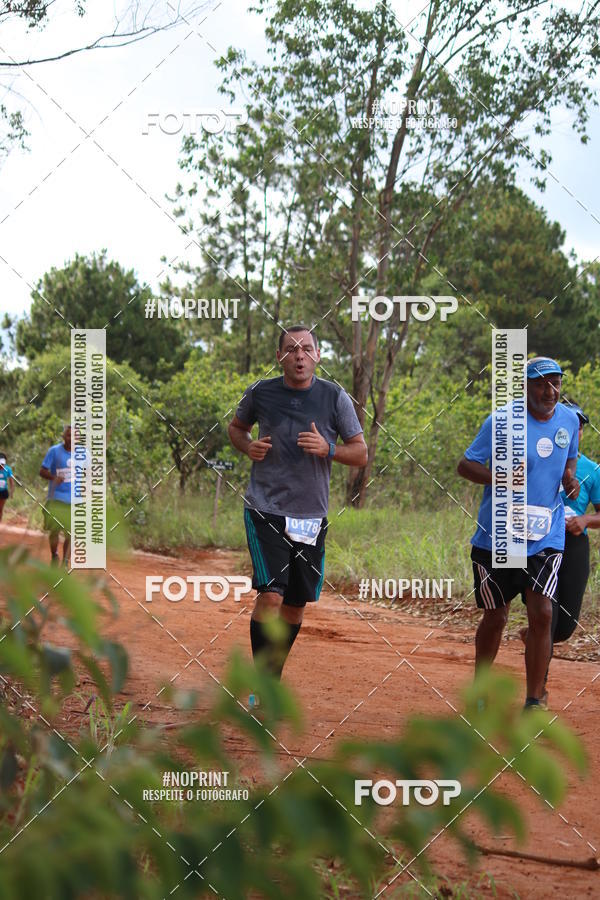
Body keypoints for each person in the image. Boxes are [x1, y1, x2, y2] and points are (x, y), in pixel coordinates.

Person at [228, 325, 367, 703]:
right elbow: (236, 428)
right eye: (291, 349)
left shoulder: (334, 397)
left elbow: (360, 452)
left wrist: (328, 449)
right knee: (272, 596)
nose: (299, 355)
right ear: (280, 358)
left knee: (294, 605)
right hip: (265, 508)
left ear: (318, 355)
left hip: (311, 516)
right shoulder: (261, 392)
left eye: (306, 348)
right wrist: (248, 446)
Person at [457, 357, 580, 710]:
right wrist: (499, 477)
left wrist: (570, 480)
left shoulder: (569, 421)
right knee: (496, 615)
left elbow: (570, 462)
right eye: (541, 383)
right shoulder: (501, 421)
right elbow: (466, 466)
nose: (549, 390)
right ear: (525, 386)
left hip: (545, 534)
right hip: (499, 533)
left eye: (555, 383)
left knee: (542, 613)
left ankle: (534, 699)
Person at [520, 403, 600, 693]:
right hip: (539, 544)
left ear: (580, 432)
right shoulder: (537, 456)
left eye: (579, 425)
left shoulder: (592, 469)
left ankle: (532, 637)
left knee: (564, 627)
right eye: (569, 423)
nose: (573, 428)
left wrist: (586, 519)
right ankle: (538, 691)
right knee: (547, 618)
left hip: (574, 545)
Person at [40, 425, 73, 565]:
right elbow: (42, 471)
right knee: (54, 532)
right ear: (63, 436)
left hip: (74, 501)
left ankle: (65, 562)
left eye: (74, 436)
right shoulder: (54, 451)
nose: (71, 438)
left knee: (71, 534)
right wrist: (54, 478)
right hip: (56, 499)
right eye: (68, 435)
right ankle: (54, 555)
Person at [0, 453, 15, 521]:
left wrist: (12, 492)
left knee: (0, 508)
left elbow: (11, 481)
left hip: (3, 491)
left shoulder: (8, 469)